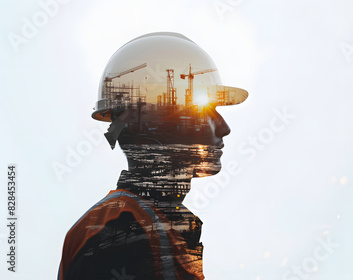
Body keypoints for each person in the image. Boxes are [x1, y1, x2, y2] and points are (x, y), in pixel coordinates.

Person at [58, 32, 248, 280]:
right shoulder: (121, 230)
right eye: (203, 112)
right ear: (155, 126)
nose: (223, 127)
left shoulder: (152, 223)